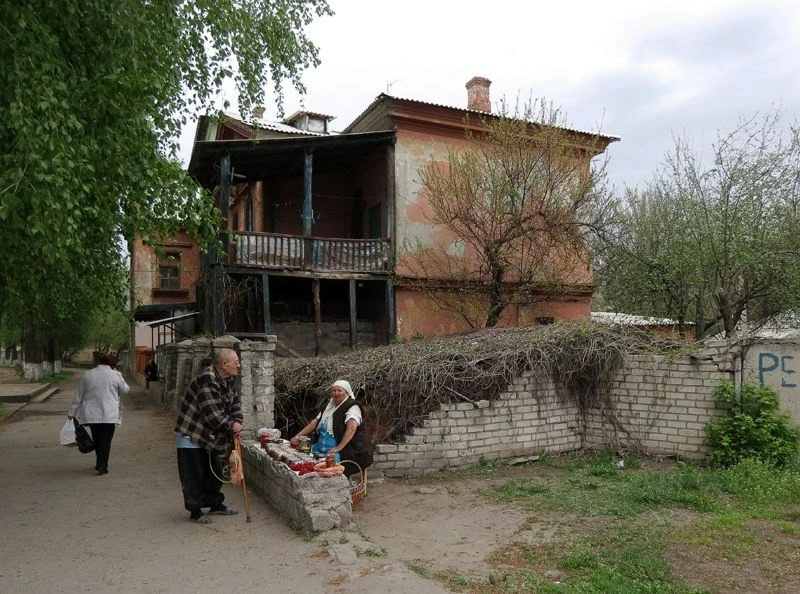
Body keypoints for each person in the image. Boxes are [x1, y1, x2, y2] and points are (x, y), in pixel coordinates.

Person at [174, 347, 243, 525]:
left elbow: (235, 402)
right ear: (224, 364)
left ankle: (214, 503)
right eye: (236, 362)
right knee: (193, 474)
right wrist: (231, 425)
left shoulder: (228, 379)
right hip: (193, 434)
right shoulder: (207, 379)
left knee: (214, 472)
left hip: (212, 436)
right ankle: (195, 510)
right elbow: (214, 416)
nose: (239, 366)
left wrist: (238, 420)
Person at [289, 379, 373, 476]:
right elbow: (314, 423)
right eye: (334, 390)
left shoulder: (352, 407)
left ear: (347, 392)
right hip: (320, 448)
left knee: (330, 470)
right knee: (307, 464)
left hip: (342, 451)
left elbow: (352, 428)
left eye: (339, 390)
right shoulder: (328, 407)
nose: (336, 393)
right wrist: (297, 437)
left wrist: (338, 448)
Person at [67, 354, 130, 475]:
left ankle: (99, 462)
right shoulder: (115, 375)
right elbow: (126, 390)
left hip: (91, 414)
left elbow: (78, 396)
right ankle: (103, 465)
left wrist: (71, 412)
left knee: (97, 439)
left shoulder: (88, 375)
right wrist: (119, 375)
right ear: (112, 365)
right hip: (109, 414)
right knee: (106, 440)